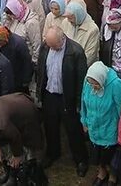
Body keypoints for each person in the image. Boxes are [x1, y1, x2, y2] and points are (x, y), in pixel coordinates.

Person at [36, 25, 89, 175]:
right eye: (49, 45)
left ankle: (81, 159)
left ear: (62, 39)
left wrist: (79, 102)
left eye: (54, 46)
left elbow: (81, 80)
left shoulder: (76, 52)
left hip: (68, 97)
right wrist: (40, 92)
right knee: (50, 127)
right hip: (49, 95)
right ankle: (52, 153)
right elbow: (41, 70)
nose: (50, 48)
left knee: (73, 130)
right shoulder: (45, 47)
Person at [0, 93, 45, 185]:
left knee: (31, 142)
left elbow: (16, 137)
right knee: (5, 147)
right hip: (7, 111)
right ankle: (10, 172)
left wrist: (17, 155)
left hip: (25, 110)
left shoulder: (3, 126)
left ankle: (31, 171)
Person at [80, 61, 121, 186]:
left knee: (110, 156)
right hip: (94, 126)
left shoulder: (116, 85)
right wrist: (84, 120)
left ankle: (112, 175)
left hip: (110, 128)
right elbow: (83, 102)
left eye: (96, 84)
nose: (93, 87)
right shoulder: (88, 81)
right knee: (97, 154)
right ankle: (101, 173)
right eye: (91, 84)